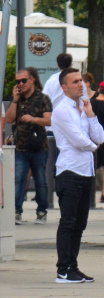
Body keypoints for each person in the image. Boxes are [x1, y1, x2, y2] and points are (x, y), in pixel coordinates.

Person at [51, 68, 104, 283]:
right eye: (74, 82)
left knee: (80, 223)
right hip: (69, 171)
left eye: (81, 80)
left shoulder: (83, 108)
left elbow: (100, 135)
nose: (80, 85)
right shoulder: (62, 110)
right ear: (64, 87)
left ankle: (73, 266)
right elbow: (79, 140)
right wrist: (93, 146)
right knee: (68, 222)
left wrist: (90, 113)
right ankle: (63, 270)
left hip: (86, 171)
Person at [6, 67, 53, 225]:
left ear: (32, 79)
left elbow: (49, 120)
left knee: (40, 180)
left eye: (23, 81)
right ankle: (16, 211)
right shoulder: (18, 99)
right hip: (20, 147)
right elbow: (9, 119)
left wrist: (33, 119)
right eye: (17, 82)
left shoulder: (42, 98)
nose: (20, 84)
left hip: (38, 147)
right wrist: (14, 100)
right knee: (19, 179)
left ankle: (41, 211)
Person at [42, 52, 75, 128]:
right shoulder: (78, 80)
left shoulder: (51, 81)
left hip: (54, 124)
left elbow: (44, 100)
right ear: (71, 64)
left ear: (58, 65)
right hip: (72, 123)